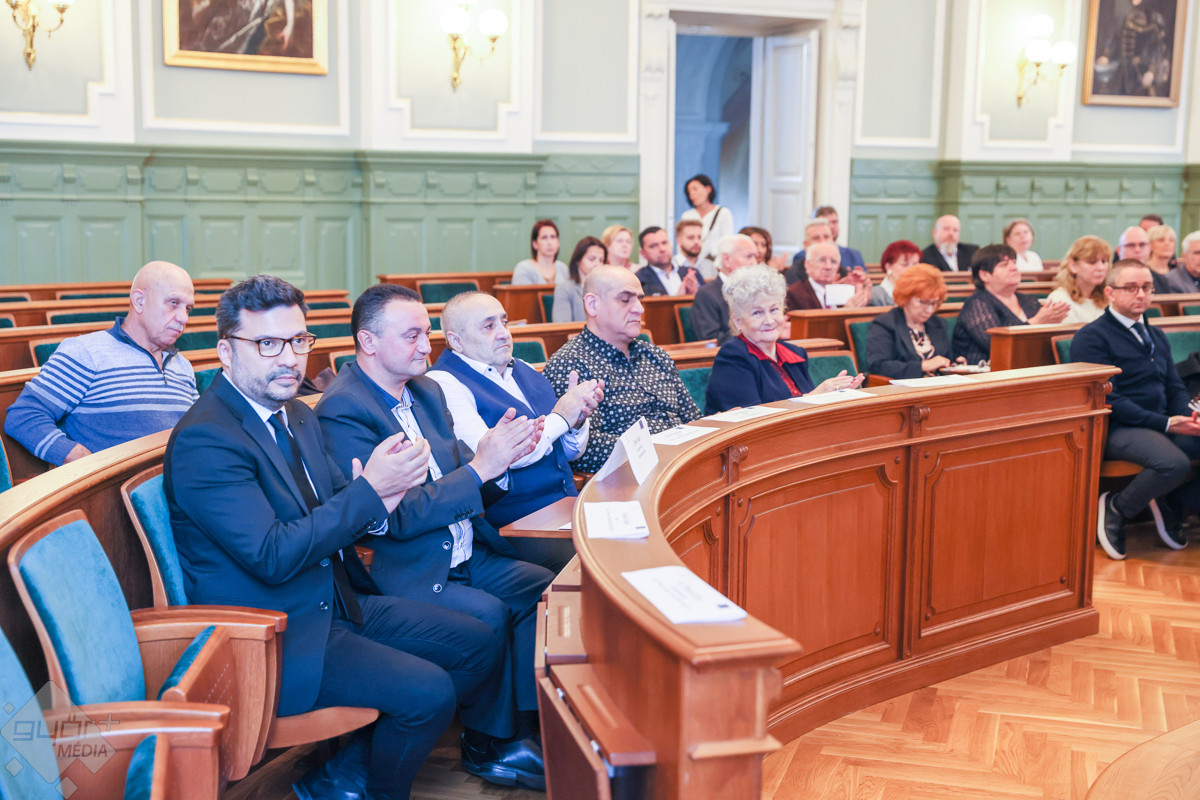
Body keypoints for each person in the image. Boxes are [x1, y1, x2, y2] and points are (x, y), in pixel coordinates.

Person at [164, 275, 504, 800]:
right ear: (225, 352)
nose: (289, 359)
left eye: (298, 341)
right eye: (268, 344)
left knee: (480, 642)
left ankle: (343, 778)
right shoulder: (207, 439)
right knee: (429, 693)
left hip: (334, 599)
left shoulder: (297, 414)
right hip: (274, 635)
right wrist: (371, 491)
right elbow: (273, 556)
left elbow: (339, 503)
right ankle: (366, 787)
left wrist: (381, 492)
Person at [314, 284, 555, 790]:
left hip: (464, 547)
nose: (428, 345)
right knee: (489, 615)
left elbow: (463, 468)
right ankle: (488, 743)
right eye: (413, 335)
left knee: (544, 589)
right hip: (406, 564)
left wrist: (499, 461)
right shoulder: (344, 409)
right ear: (368, 341)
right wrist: (482, 468)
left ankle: (523, 729)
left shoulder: (426, 391)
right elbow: (393, 517)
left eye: (427, 333)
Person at [428, 291, 604, 570]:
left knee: (634, 537)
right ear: (456, 341)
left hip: (566, 506)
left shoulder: (521, 369)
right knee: (599, 561)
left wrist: (577, 420)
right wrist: (562, 416)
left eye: (504, 322)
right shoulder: (443, 383)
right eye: (489, 326)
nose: (503, 333)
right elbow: (499, 457)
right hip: (513, 523)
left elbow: (569, 453)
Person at [5, 261, 198, 466]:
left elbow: (199, 431)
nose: (183, 318)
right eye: (173, 303)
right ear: (139, 301)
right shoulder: (86, 352)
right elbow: (23, 416)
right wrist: (84, 462)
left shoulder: (183, 366)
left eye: (188, 309)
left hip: (185, 479)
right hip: (123, 485)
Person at [1071, 260, 1200, 559]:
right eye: (1131, 288)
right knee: (1173, 464)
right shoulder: (1092, 337)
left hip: (1160, 422)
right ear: (1110, 292)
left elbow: (1174, 387)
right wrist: (1167, 423)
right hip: (1118, 427)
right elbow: (1108, 400)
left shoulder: (1156, 335)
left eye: (1146, 287)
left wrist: (1190, 417)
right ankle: (1117, 507)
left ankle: (1173, 500)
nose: (1141, 294)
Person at [543, 266, 701, 473]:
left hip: (685, 464)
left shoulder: (655, 355)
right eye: (625, 300)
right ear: (592, 305)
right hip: (631, 478)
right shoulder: (570, 364)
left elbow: (693, 418)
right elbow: (583, 451)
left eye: (640, 299)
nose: (640, 309)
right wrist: (659, 448)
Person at [705, 266, 863, 414]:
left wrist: (834, 397)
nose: (769, 320)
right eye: (757, 313)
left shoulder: (795, 353)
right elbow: (751, 419)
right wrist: (816, 396)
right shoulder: (733, 357)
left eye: (774, 310)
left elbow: (808, 413)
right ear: (738, 321)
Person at [951, 244, 1070, 365]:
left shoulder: (1028, 301)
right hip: (987, 372)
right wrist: (1035, 323)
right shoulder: (976, 304)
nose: (1014, 268)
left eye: (1014, 263)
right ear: (984, 275)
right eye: (1004, 265)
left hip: (1029, 366)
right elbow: (997, 346)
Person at [866, 264, 962, 379]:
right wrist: (922, 366)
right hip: (903, 388)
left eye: (933, 303)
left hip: (939, 386)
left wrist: (955, 365)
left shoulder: (938, 323)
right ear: (906, 296)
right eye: (923, 302)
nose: (929, 310)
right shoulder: (885, 324)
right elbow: (878, 366)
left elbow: (946, 359)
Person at [691, 233, 759, 344]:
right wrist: (753, 331)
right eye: (748, 256)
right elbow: (710, 340)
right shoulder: (707, 294)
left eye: (756, 257)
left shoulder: (756, 291)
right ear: (727, 259)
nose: (754, 263)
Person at [785, 241, 871, 311]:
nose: (828, 267)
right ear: (807, 265)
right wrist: (845, 311)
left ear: (838, 267)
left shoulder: (842, 290)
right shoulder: (794, 294)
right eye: (822, 260)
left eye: (833, 261)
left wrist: (860, 293)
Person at [1045, 235, 1113, 323]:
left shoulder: (1109, 298)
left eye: (1104, 261)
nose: (1101, 268)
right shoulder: (1060, 300)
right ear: (1073, 265)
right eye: (1092, 262)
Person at [679, 173, 734, 279]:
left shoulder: (723, 213)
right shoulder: (687, 215)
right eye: (689, 192)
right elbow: (682, 244)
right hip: (691, 266)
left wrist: (719, 267)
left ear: (708, 189)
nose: (692, 194)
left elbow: (727, 243)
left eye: (695, 189)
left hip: (715, 266)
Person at [788, 214, 863, 281]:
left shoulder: (842, 272)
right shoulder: (794, 274)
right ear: (806, 245)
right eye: (816, 238)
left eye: (826, 237)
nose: (822, 242)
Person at [552, 236, 607, 323]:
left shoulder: (607, 289)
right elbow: (562, 325)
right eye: (592, 259)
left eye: (601, 260)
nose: (597, 264)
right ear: (578, 259)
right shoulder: (564, 289)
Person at [635, 226, 702, 296]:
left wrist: (696, 293)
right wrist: (680, 297)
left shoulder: (691, 273)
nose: (662, 249)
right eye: (654, 246)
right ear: (643, 253)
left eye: (664, 243)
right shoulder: (639, 281)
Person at [512, 219, 567, 285]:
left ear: (558, 242)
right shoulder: (524, 268)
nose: (549, 242)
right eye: (544, 238)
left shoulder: (563, 268)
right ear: (535, 244)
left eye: (553, 237)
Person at [1115, 225, 1167, 294]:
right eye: (1131, 245)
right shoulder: (1108, 280)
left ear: (1149, 249)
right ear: (1119, 251)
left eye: (1142, 245)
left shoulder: (1161, 282)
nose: (1137, 250)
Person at [870, 240, 922, 306]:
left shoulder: (922, 293)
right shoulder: (874, 297)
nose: (911, 269)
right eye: (905, 264)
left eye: (915, 264)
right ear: (888, 267)